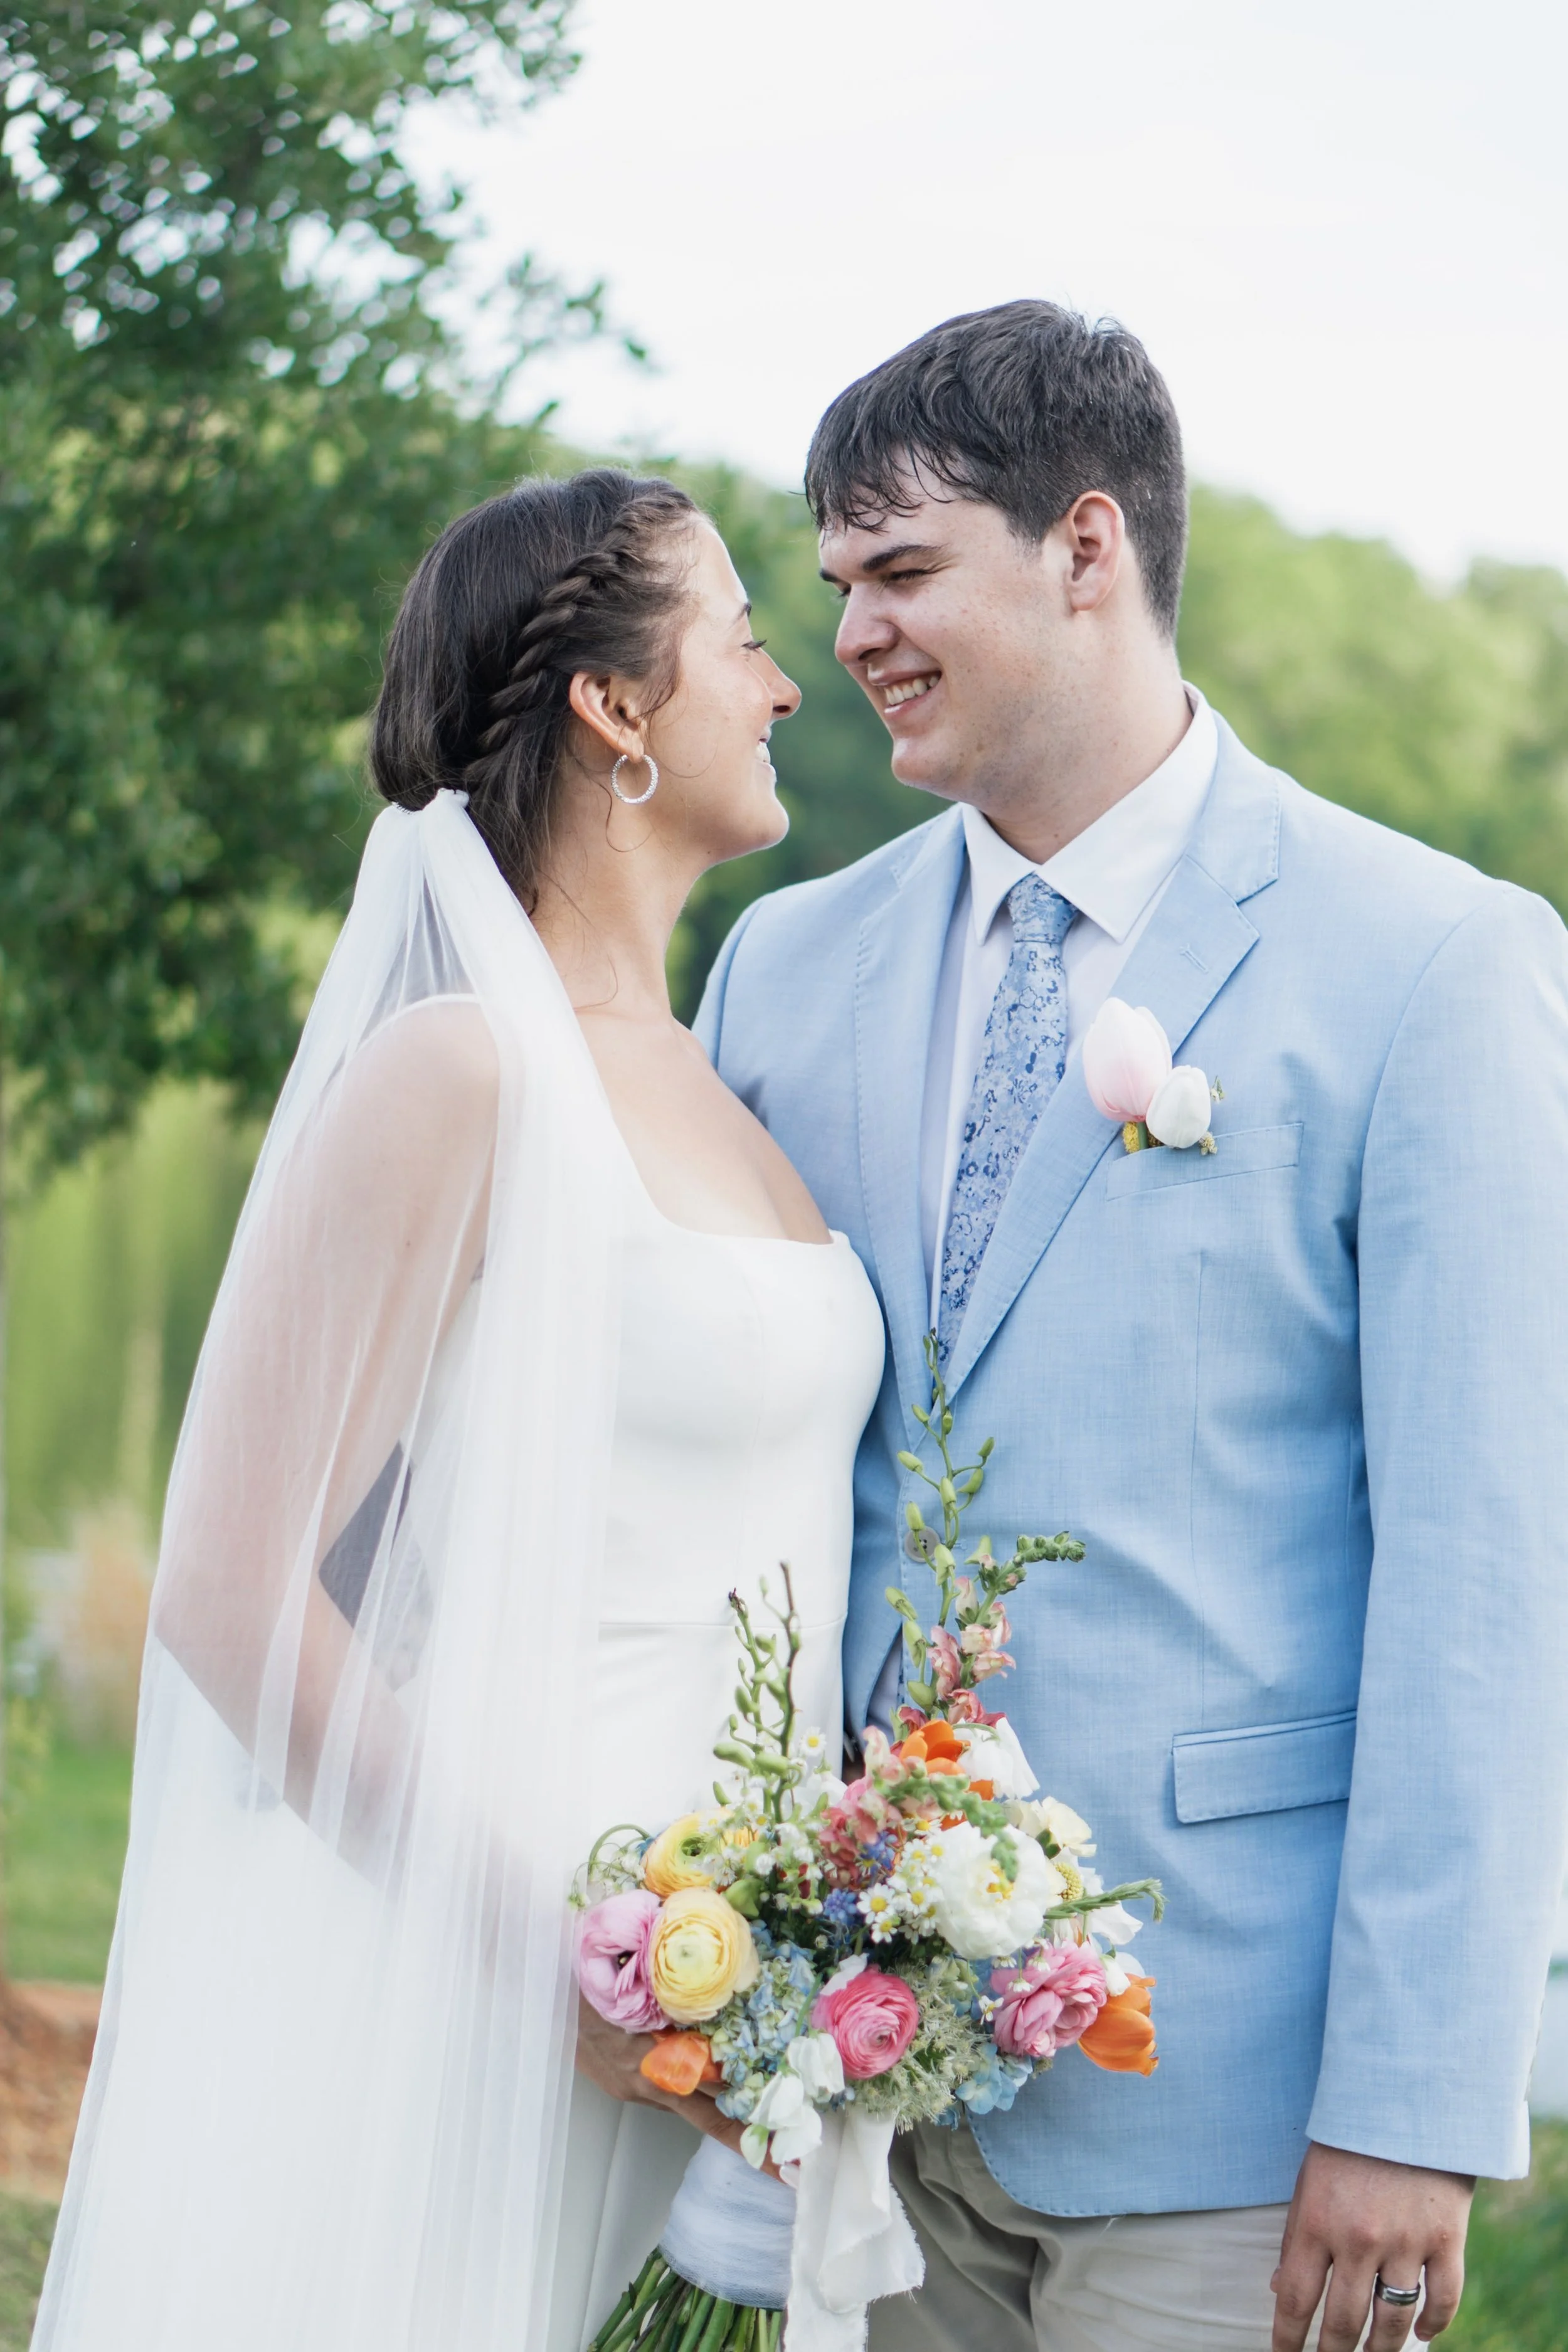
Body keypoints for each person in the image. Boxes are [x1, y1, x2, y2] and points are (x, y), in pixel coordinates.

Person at [694, 303, 1568, 2352]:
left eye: (902, 571)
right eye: (832, 587)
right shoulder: (779, 967)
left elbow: (1487, 1578)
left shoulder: (1434, 965)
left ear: (1087, 546)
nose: (853, 637)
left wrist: (1413, 2105)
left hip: (1243, 2107)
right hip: (857, 2096)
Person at [32, 469, 886, 2352]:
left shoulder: (716, 1076)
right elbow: (229, 1593)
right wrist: (553, 1970)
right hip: (502, 1960)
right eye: (741, 637)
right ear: (611, 705)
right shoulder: (457, 1070)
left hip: (738, 1992)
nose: (783, 682)